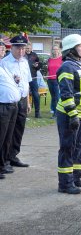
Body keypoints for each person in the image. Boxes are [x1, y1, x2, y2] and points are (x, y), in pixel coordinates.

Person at [56, 34, 81, 194]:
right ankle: (65, 184)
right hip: (69, 115)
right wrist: (72, 115)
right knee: (68, 147)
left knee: (79, 147)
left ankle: (76, 179)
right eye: (80, 46)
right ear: (71, 50)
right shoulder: (67, 67)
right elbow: (66, 94)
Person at [1, 35, 32, 168]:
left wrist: (29, 102)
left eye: (23, 49)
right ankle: (5, 159)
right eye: (18, 48)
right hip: (11, 101)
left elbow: (27, 82)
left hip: (23, 100)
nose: (21, 51)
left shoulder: (25, 62)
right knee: (8, 131)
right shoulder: (5, 63)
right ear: (12, 48)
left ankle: (13, 155)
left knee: (19, 129)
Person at [0, 49, 21, 179]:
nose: (2, 51)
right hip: (3, 105)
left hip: (13, 106)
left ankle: (2, 164)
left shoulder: (3, 65)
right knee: (1, 137)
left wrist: (15, 81)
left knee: (7, 138)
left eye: (3, 49)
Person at [25, 42, 42, 118]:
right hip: (24, 79)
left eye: (29, 48)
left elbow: (39, 66)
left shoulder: (35, 55)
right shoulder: (22, 55)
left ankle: (37, 113)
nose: (28, 50)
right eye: (26, 48)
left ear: (31, 48)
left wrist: (37, 66)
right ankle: (24, 112)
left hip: (33, 78)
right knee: (23, 95)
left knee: (35, 94)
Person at [47, 45, 63, 119]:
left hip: (57, 80)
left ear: (59, 50)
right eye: (54, 49)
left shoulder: (61, 59)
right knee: (53, 97)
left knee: (57, 97)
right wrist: (47, 77)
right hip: (50, 80)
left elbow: (63, 69)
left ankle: (57, 113)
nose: (55, 51)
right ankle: (53, 111)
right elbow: (48, 70)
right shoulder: (50, 59)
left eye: (56, 49)